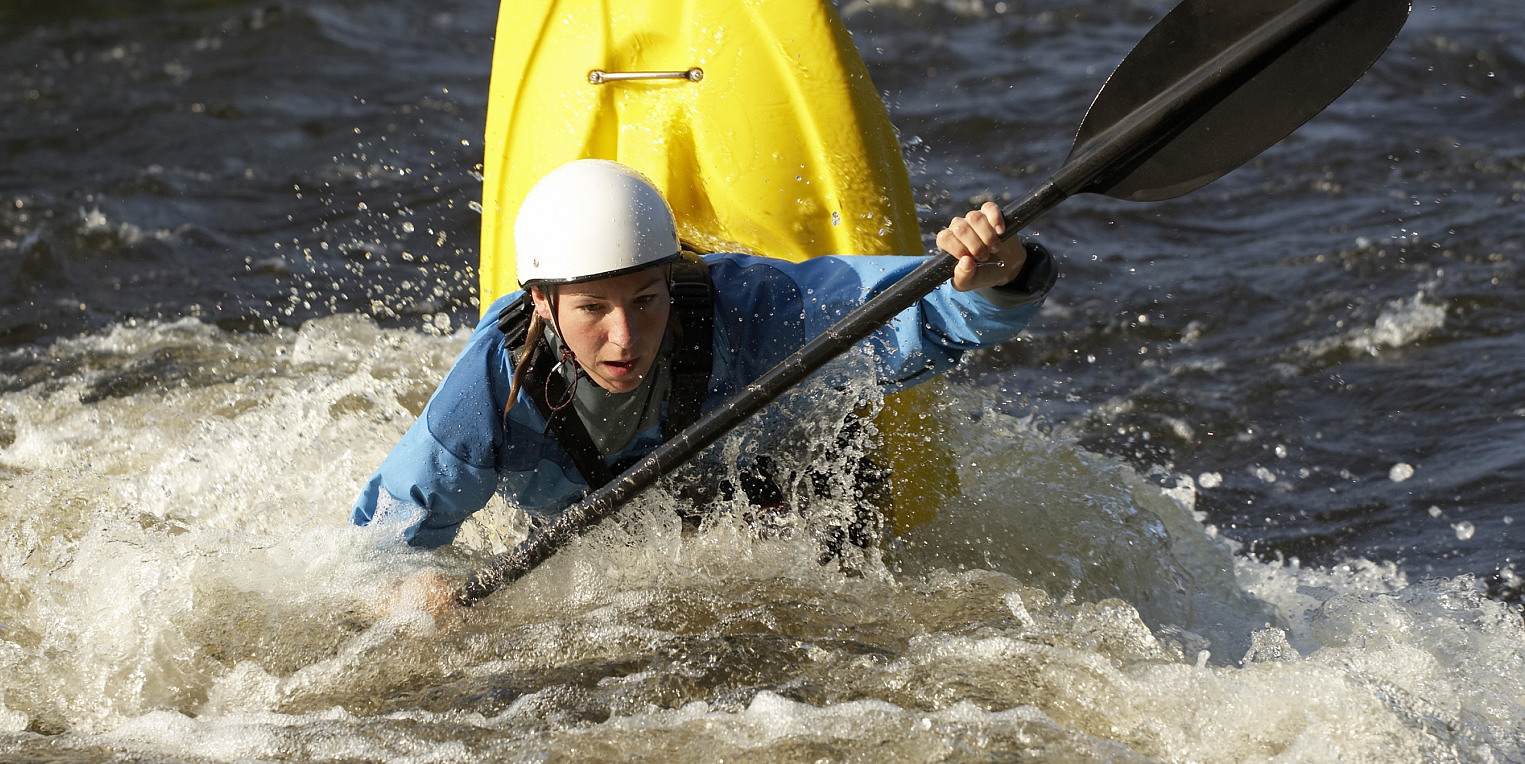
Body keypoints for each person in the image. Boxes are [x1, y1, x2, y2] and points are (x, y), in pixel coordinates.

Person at [350, 159, 1055, 584]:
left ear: (670, 279)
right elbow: (385, 540)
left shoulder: (748, 308)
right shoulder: (492, 388)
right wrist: (410, 590)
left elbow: (924, 317)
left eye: (646, 300)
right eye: (593, 307)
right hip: (608, 528)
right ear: (541, 300)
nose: (625, 335)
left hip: (775, 483)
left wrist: (1000, 276)